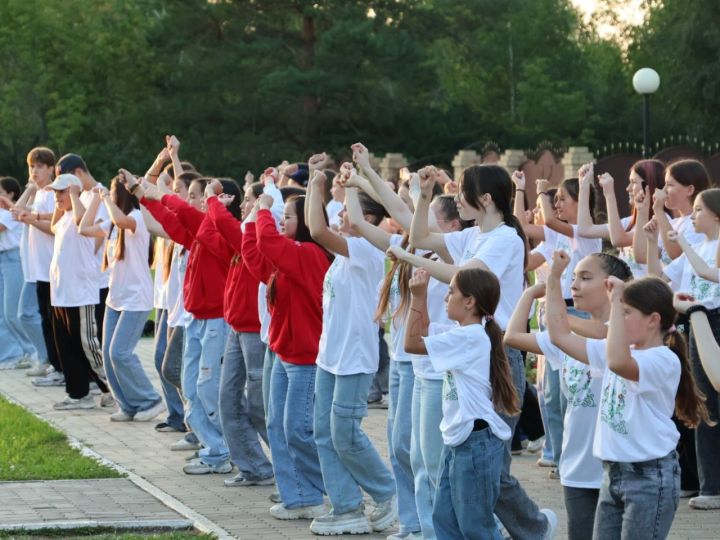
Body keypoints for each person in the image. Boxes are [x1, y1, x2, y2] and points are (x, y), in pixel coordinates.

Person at [391, 163, 557, 540]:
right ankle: (530, 529)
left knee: (487, 467)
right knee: (478, 469)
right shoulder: (473, 236)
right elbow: (419, 234)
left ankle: (533, 528)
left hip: (496, 356)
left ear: (484, 199)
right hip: (471, 355)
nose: (457, 198)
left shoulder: (505, 239)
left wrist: (408, 261)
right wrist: (424, 194)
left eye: (463, 191)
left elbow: (464, 281)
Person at [546, 250, 711, 539]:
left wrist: (616, 299)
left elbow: (619, 363)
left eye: (625, 313)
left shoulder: (662, 358)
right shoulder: (622, 350)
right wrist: (553, 277)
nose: (617, 320)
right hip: (614, 475)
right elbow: (559, 335)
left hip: (649, 478)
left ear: (652, 320)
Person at [505, 252, 633, 539]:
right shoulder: (568, 339)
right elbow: (512, 336)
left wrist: (554, 287)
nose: (574, 285)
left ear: (613, 286)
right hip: (576, 467)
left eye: (585, 278)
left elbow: (594, 330)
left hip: (616, 470)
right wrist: (529, 293)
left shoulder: (622, 334)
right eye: (573, 277)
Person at [305, 158, 398, 536]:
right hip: (330, 356)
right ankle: (346, 508)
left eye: (347, 211)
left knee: (345, 433)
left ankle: (388, 493)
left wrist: (319, 184)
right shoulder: (348, 255)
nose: (341, 216)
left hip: (355, 359)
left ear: (370, 219)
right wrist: (320, 182)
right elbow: (321, 226)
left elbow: (316, 230)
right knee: (324, 433)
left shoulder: (370, 251)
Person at [404, 267, 520, 539]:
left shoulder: (468, 337)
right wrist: (419, 300)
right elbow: (423, 329)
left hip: (475, 442)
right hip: (460, 440)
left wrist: (418, 297)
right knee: (444, 519)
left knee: (475, 525)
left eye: (451, 292)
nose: (446, 297)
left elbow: (411, 343)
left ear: (469, 302)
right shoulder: (463, 332)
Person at [136, 161, 235, 474]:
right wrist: (142, 195)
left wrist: (161, 194)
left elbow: (187, 216)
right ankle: (212, 447)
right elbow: (168, 221)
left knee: (207, 388)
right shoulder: (199, 230)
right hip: (195, 318)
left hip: (216, 320)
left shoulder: (223, 234)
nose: (194, 201)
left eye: (200, 195)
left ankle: (222, 451)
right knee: (191, 387)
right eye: (193, 195)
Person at [242, 187, 330, 520]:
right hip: (283, 352)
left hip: (305, 356)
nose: (281, 221)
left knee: (297, 428)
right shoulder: (288, 255)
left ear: (306, 222)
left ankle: (329, 489)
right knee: (276, 425)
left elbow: (268, 244)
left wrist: (263, 209)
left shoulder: (309, 253)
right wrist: (253, 218)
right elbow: (254, 256)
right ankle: (299, 497)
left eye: (288, 217)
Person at [647, 187, 720, 510]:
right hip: (694, 323)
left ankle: (712, 486)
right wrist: (653, 243)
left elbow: (707, 273)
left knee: (711, 401)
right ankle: (703, 483)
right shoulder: (699, 247)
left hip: (714, 322)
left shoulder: (710, 247)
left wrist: (682, 243)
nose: (693, 216)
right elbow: (658, 278)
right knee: (699, 403)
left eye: (700, 210)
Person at [206, 177, 275, 487]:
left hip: (254, 331)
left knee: (261, 406)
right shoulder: (241, 234)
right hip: (237, 327)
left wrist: (210, 199)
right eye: (245, 199)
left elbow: (224, 224)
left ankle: (298, 467)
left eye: (250, 200)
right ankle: (254, 467)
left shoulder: (255, 235)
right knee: (228, 399)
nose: (244, 205)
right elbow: (208, 233)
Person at [78, 174, 164, 422]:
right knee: (107, 355)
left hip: (136, 299)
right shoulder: (113, 225)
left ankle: (150, 400)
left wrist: (104, 198)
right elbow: (84, 228)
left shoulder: (136, 218)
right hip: (116, 298)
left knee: (120, 353)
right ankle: (126, 404)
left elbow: (119, 218)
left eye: (113, 195)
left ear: (120, 196)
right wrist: (95, 199)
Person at [46, 173, 110, 409]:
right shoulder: (65, 218)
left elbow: (83, 224)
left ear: (73, 191)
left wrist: (75, 194)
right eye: (55, 192)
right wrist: (59, 204)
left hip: (80, 293)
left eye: (61, 192)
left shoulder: (83, 214)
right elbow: (53, 226)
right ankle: (78, 394)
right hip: (62, 294)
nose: (57, 197)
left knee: (88, 347)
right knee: (67, 348)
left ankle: (112, 389)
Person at [12, 148, 58, 376]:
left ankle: (48, 358)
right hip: (35, 268)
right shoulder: (39, 193)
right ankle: (46, 358)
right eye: (32, 166)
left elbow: (55, 228)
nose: (35, 171)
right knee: (34, 316)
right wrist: (30, 188)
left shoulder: (52, 194)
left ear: (51, 169)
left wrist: (32, 219)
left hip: (48, 266)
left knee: (28, 315)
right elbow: (16, 212)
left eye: (40, 166)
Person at [0, 176, 34, 368]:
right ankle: (9, 354)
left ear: (11, 194)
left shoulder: (10, 212)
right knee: (2, 313)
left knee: (13, 312)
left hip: (14, 260)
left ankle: (31, 351)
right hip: (2, 260)